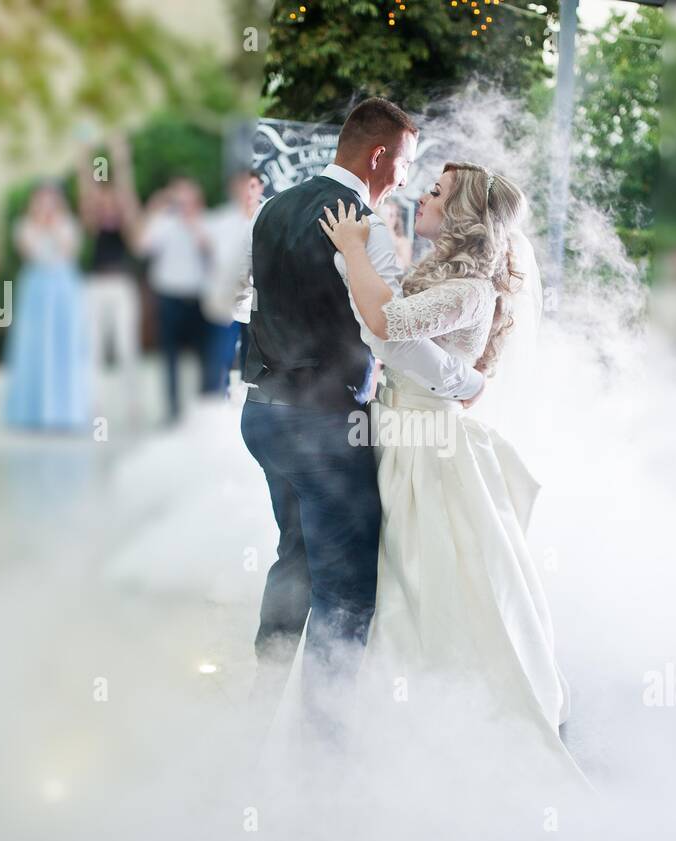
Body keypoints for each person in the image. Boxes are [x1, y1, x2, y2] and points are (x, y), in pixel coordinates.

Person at [318, 159, 586, 786]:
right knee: (395, 581)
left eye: (436, 192)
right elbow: (386, 333)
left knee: (424, 583)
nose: (423, 195)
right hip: (401, 430)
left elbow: (386, 324)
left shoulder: (472, 290)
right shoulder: (441, 272)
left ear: (463, 214)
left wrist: (356, 247)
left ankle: (429, 735)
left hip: (427, 452)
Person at [237, 98, 486, 738]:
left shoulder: (271, 210)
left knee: (292, 560)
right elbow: (390, 336)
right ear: (379, 156)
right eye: (406, 162)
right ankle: (325, 755)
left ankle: (257, 709)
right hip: (324, 426)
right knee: (345, 591)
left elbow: (239, 298)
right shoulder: (363, 224)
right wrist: (465, 380)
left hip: (263, 415)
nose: (407, 177)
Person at [3, 184, 90, 431]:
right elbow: (29, 252)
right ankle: (32, 410)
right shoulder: (24, 225)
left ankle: (65, 409)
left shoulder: (68, 224)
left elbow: (68, 252)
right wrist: (41, 225)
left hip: (62, 288)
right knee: (34, 345)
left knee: (64, 345)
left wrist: (54, 227)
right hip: (36, 288)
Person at [77, 133, 142, 420]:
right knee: (94, 348)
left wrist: (120, 157)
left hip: (121, 285)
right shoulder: (93, 220)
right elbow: (86, 189)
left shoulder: (125, 218)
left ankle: (131, 403)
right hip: (95, 285)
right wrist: (86, 155)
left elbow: (127, 191)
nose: (105, 201)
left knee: (126, 346)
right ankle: (95, 404)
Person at [136, 178, 210, 423]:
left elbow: (209, 248)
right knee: (169, 356)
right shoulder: (162, 223)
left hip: (198, 297)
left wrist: (193, 223)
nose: (184, 206)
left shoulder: (206, 222)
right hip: (168, 297)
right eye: (179, 201)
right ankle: (172, 408)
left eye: (189, 201)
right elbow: (142, 247)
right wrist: (153, 210)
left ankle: (203, 407)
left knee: (203, 355)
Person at [202, 169, 264, 394]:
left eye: (252, 186)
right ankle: (218, 396)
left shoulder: (267, 217)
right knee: (221, 353)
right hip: (225, 299)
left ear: (260, 189)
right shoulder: (220, 220)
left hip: (256, 301)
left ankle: (248, 397)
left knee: (253, 355)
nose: (247, 192)